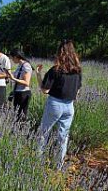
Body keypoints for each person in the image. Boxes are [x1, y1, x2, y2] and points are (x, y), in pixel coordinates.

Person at [36, 40, 82, 170]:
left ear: (60, 53)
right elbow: (77, 91)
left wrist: (38, 74)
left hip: (55, 104)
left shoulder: (55, 70)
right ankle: (58, 166)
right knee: (63, 136)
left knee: (43, 133)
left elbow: (45, 90)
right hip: (69, 107)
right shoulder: (77, 71)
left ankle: (38, 162)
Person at [7, 49, 34, 124]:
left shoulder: (26, 66)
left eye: (12, 58)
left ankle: (22, 131)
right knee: (17, 114)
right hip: (18, 92)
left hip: (23, 94)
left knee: (22, 115)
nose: (12, 60)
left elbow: (26, 82)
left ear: (16, 57)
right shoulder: (20, 65)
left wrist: (13, 79)